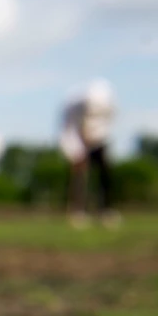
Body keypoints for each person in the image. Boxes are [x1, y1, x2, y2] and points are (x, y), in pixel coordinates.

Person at [59, 79, 120, 229]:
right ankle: (77, 210)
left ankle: (105, 210)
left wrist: (96, 138)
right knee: (79, 174)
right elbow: (67, 130)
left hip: (99, 137)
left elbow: (108, 122)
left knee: (104, 172)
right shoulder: (72, 107)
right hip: (76, 137)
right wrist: (76, 151)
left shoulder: (108, 104)